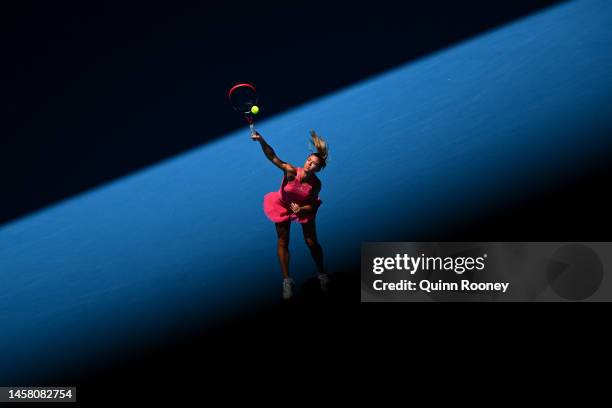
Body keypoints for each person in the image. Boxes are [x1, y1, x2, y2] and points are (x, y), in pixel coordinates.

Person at [252, 129, 330, 300]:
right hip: (281, 205)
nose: (309, 164)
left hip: (302, 209)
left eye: (314, 164)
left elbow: (311, 205)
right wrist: (261, 141)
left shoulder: (316, 184)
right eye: (309, 160)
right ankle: (287, 281)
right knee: (283, 241)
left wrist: (301, 209)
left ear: (319, 168)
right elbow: (273, 157)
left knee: (311, 242)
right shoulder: (290, 171)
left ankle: (322, 274)